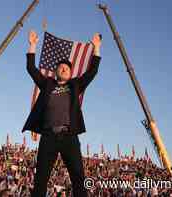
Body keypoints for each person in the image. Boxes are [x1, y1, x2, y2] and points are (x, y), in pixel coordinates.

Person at [22, 30, 102, 197]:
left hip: (69, 137)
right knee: (41, 179)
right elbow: (31, 68)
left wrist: (96, 48)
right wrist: (32, 45)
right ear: (56, 71)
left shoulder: (75, 85)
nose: (64, 68)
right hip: (48, 136)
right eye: (61, 67)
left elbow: (92, 72)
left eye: (67, 68)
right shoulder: (47, 84)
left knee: (78, 178)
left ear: (70, 73)